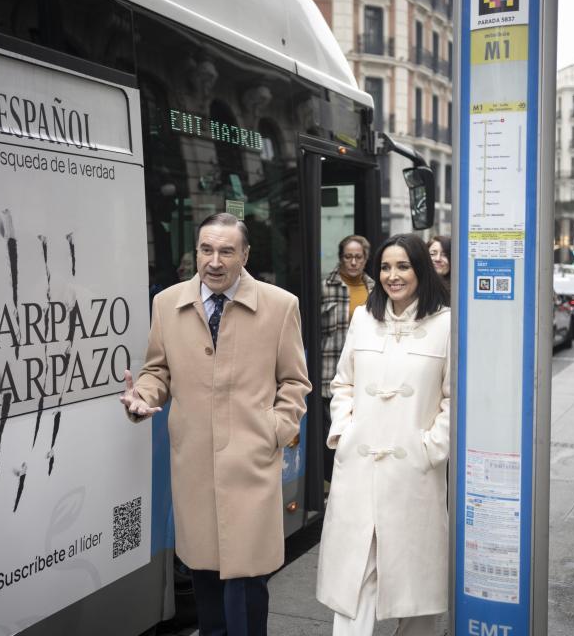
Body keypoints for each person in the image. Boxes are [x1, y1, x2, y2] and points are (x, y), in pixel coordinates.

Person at [121, 212, 311, 636]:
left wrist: (274, 431)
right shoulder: (167, 304)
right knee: (204, 579)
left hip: (252, 464)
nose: (215, 261)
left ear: (245, 254)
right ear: (196, 253)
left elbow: (296, 382)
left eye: (227, 251)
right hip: (195, 468)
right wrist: (142, 398)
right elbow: (157, 372)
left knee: (246, 586)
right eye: (207, 249)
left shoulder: (281, 306)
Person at [316, 233, 451, 636]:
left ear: (420, 271)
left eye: (403, 266)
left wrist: (430, 448)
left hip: (414, 473)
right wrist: (345, 430)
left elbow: (454, 398)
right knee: (354, 580)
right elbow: (342, 384)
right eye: (386, 267)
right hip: (359, 468)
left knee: (418, 592)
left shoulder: (448, 323)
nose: (393, 275)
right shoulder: (364, 319)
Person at [320, 235, 374, 480]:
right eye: (348, 257)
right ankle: (331, 484)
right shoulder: (324, 287)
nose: (353, 262)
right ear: (341, 258)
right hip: (329, 373)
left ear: (365, 259)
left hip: (364, 375)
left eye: (358, 257)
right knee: (333, 434)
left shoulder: (375, 289)